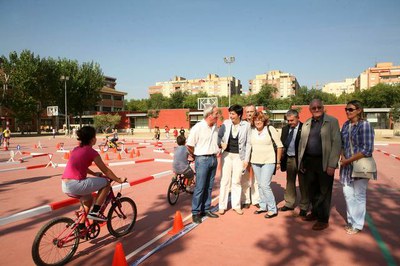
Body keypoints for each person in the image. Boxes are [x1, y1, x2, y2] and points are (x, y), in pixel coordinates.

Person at [61, 126, 126, 225]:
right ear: (92, 139)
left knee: (88, 200)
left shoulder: (76, 149)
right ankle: (96, 212)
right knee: (106, 183)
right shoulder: (91, 152)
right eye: (95, 136)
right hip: (75, 184)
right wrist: (118, 179)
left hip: (65, 185)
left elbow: (82, 167)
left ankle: (81, 226)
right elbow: (106, 170)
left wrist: (94, 174)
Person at [298, 99, 341, 231]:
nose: (317, 110)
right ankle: (315, 213)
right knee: (312, 190)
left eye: (319, 107)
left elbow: (337, 143)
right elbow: (302, 144)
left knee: (324, 192)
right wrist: (301, 162)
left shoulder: (332, 121)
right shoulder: (307, 123)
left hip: (324, 161)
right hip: (309, 161)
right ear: (310, 110)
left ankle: (323, 219)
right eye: (314, 108)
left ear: (323, 108)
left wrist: (332, 164)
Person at [340, 100, 376, 235]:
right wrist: (342, 157)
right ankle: (351, 220)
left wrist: (348, 160)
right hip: (346, 167)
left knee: (359, 195)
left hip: (361, 166)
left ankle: (357, 224)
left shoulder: (365, 125)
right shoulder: (345, 125)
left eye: (350, 109)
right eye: (346, 109)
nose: (348, 112)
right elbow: (341, 143)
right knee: (348, 195)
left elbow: (367, 149)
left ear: (359, 110)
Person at [186, 105, 220, 224]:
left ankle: (206, 209)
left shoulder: (215, 127)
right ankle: (195, 212)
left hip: (213, 159)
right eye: (216, 113)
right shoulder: (198, 127)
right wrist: (196, 156)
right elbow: (189, 145)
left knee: (209, 187)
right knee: (200, 187)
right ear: (210, 115)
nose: (218, 115)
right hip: (202, 159)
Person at [217, 104, 251, 215]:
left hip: (239, 157)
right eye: (230, 113)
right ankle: (222, 206)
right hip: (226, 155)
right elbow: (218, 136)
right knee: (225, 181)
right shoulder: (226, 124)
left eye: (233, 114)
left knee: (236, 181)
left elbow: (248, 143)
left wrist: (246, 159)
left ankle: (236, 206)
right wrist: (220, 143)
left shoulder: (246, 125)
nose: (230, 116)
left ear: (239, 115)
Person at [250, 112, 283, 219]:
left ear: (264, 120)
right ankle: (263, 206)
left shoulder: (270, 129)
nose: (258, 122)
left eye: (260, 119)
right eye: (255, 120)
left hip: (268, 161)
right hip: (255, 161)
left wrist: (278, 161)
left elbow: (279, 146)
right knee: (259, 184)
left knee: (265, 185)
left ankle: (273, 209)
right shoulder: (252, 131)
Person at [279, 109, 308, 217]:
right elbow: (283, 143)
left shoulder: (304, 128)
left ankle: (304, 206)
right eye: (288, 121)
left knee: (303, 183)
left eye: (292, 120)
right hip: (289, 159)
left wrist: (305, 161)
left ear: (298, 117)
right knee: (290, 182)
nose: (290, 122)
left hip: (301, 159)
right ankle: (289, 203)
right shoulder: (285, 129)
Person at [241, 104, 260, 209]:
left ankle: (256, 199)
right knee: (245, 178)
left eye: (251, 111)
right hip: (245, 156)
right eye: (247, 112)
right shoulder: (242, 124)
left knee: (256, 179)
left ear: (255, 112)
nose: (249, 114)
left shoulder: (259, 123)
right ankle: (246, 200)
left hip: (257, 154)